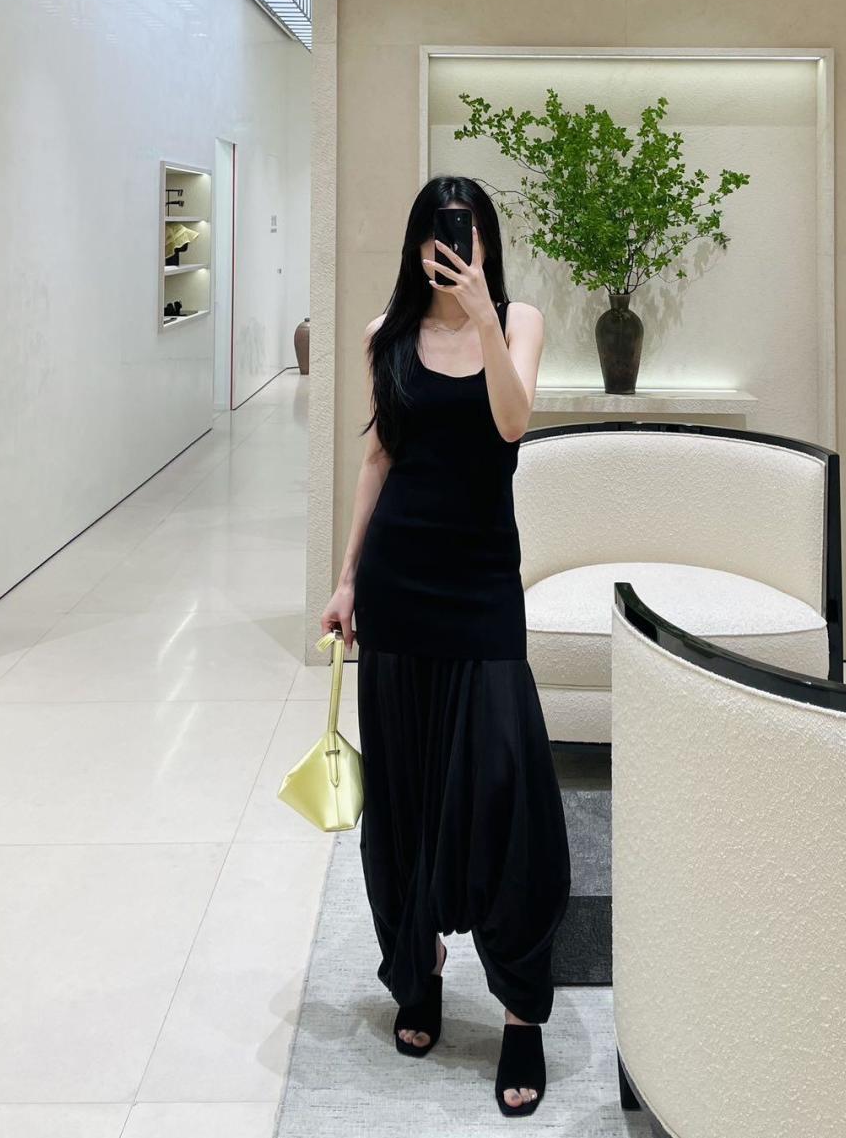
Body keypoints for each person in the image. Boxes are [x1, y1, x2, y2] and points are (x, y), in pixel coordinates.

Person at [321, 177, 572, 1119]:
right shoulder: (384, 333)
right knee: (407, 791)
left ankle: (520, 1009)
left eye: (465, 232)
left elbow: (511, 425)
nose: (452, 246)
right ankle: (417, 963)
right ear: (417, 242)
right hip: (399, 586)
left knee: (506, 792)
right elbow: (378, 457)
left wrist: (483, 317)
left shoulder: (520, 322)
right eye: (437, 231)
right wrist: (348, 578)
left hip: (482, 587)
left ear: (486, 241)